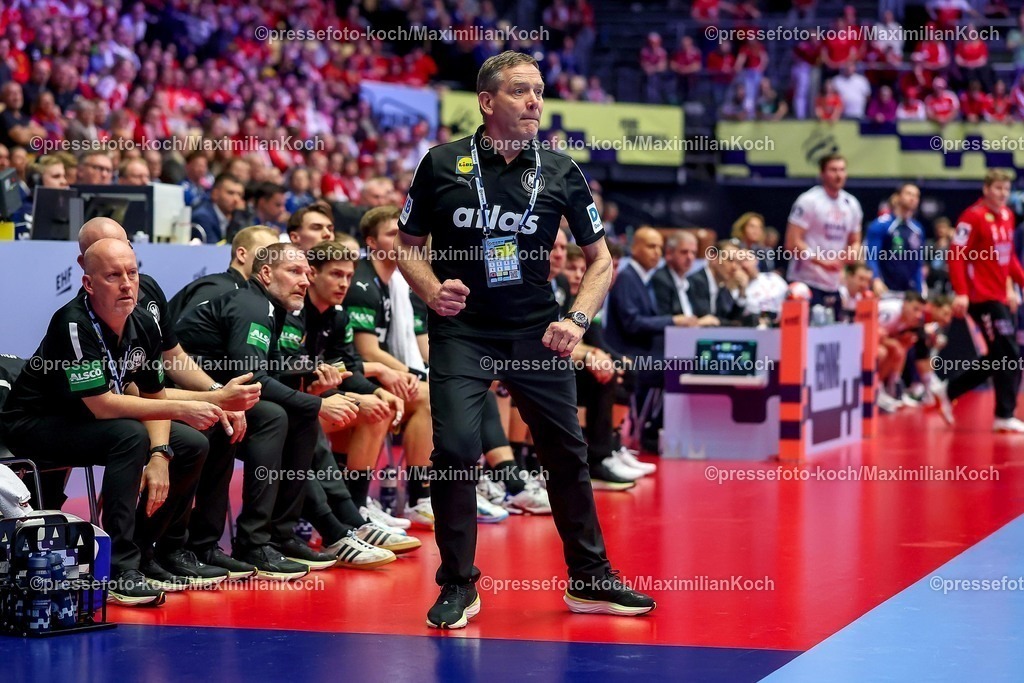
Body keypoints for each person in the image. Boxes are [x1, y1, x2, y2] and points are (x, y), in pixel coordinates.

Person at [395, 51, 655, 629]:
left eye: (538, 90)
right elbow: (406, 246)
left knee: (568, 453)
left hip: (537, 330)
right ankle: (459, 584)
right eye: (519, 91)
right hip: (462, 330)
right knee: (458, 452)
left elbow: (600, 260)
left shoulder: (562, 170)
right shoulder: (440, 164)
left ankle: (590, 579)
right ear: (487, 102)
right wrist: (433, 290)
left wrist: (578, 319)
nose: (535, 101)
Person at [0, 239, 225, 605]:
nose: (126, 284)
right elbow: (103, 406)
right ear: (89, 284)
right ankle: (119, 570)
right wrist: (181, 410)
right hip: (34, 424)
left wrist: (161, 455)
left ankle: (144, 552)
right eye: (113, 275)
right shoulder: (73, 323)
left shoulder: (144, 322)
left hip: (85, 421)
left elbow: (153, 394)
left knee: (192, 444)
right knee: (129, 434)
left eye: (132, 273)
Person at [175, 243, 362, 578]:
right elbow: (254, 377)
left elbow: (270, 372)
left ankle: (279, 535)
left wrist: (313, 382)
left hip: (221, 395)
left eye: (306, 272)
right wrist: (321, 403)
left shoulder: (272, 310)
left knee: (297, 414)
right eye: (294, 271)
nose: (305, 280)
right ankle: (251, 541)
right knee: (276, 415)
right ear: (265, 274)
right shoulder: (253, 306)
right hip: (180, 396)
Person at [346, 206, 435, 526]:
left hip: (375, 372)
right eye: (390, 234)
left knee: (440, 392)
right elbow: (367, 350)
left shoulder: (396, 284)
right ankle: (413, 498)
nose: (400, 241)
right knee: (427, 397)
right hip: (354, 373)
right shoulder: (361, 283)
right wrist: (409, 373)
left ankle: (422, 495)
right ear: (371, 243)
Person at [932, 170, 1024, 432]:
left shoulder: (1007, 216)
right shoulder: (972, 217)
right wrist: (961, 292)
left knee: (999, 356)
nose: (1002, 194)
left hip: (999, 295)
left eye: (1006, 189)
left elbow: (1009, 258)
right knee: (1008, 352)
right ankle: (1003, 415)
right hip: (980, 297)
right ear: (986, 189)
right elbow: (956, 254)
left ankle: (949, 389)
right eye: (997, 188)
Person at [784, 154, 863, 321]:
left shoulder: (852, 204)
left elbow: (855, 241)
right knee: (804, 339)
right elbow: (792, 243)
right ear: (822, 174)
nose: (839, 175)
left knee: (831, 340)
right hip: (806, 282)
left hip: (834, 284)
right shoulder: (809, 201)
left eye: (842, 170)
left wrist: (852, 253)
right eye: (833, 170)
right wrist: (821, 261)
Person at [166, 225, 280, 324]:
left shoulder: (250, 295)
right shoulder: (219, 289)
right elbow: (183, 335)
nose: (275, 261)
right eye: (267, 254)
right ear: (242, 254)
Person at [865, 183, 924, 294]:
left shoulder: (918, 229)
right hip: (886, 290)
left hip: (909, 293)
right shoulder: (882, 224)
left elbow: (918, 263)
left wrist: (919, 289)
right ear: (897, 197)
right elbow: (871, 256)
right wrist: (876, 279)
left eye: (916, 196)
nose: (913, 198)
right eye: (908, 194)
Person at [191, 173, 247, 244]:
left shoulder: (235, 214)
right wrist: (237, 219)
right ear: (215, 194)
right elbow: (216, 250)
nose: (236, 199)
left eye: (239, 194)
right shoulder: (202, 217)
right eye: (230, 193)